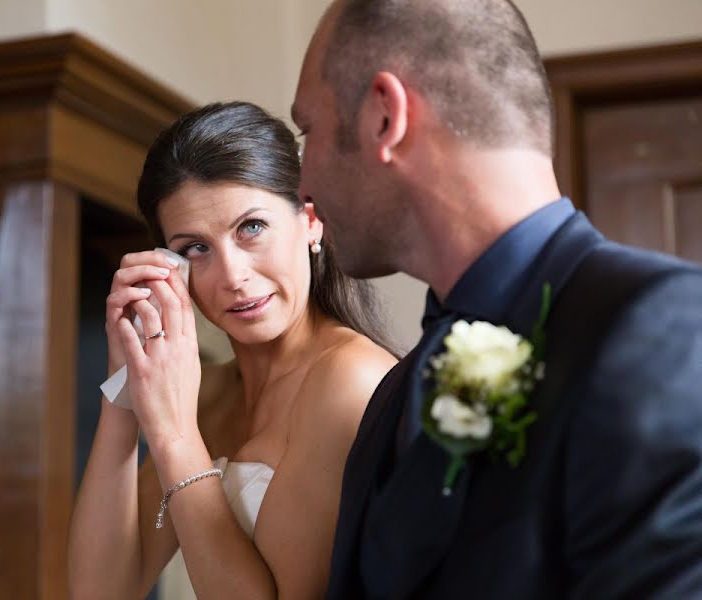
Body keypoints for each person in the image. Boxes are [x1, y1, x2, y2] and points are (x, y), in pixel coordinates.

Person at [292, 0, 702, 598]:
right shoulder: (391, 398)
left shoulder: (662, 334)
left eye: (308, 132)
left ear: (384, 116)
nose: (303, 185)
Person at [67, 101, 398, 600]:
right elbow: (100, 591)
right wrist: (124, 393)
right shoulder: (206, 393)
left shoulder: (349, 379)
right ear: (169, 270)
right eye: (195, 249)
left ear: (310, 221)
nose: (233, 276)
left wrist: (176, 437)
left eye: (252, 228)